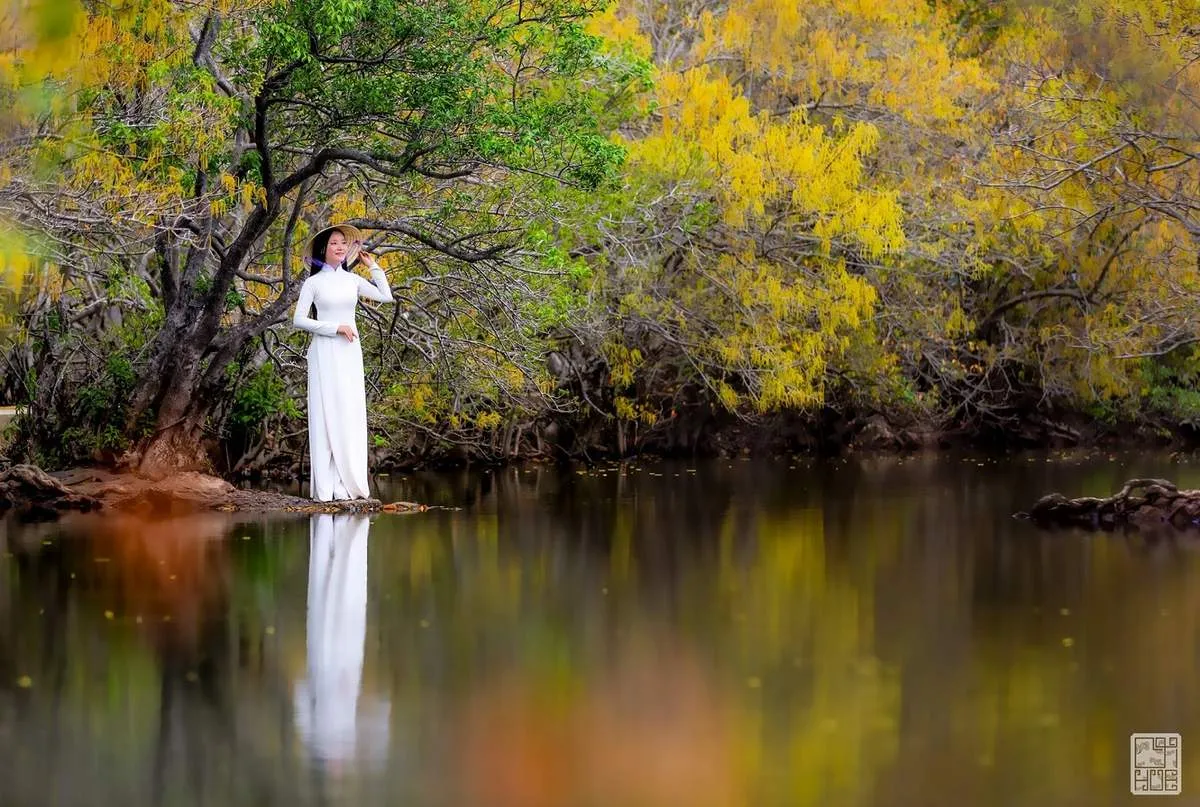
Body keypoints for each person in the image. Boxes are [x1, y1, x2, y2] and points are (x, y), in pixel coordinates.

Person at [292, 224, 393, 501]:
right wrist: (335, 327)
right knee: (326, 414)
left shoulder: (352, 281)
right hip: (325, 351)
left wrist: (374, 267)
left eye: (343, 243)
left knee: (349, 412)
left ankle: (348, 484)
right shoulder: (313, 283)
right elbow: (299, 320)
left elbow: (386, 296)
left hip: (349, 352)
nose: (339, 247)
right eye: (334, 243)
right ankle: (326, 489)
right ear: (323, 250)